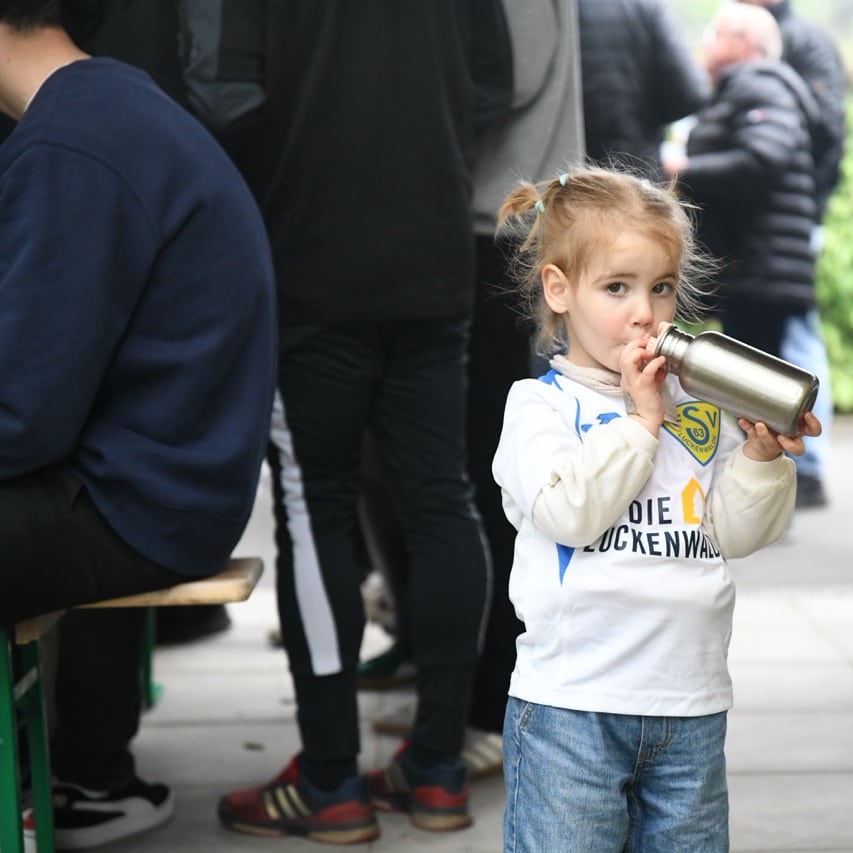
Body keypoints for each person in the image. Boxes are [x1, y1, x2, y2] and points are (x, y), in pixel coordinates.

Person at [180, 2, 513, 843]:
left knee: (314, 506)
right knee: (444, 499)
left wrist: (307, 158)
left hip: (309, 257)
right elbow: (489, 84)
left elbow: (220, 91)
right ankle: (437, 765)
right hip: (433, 252)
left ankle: (331, 777)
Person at [0, 0, 276, 847]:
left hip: (142, 504)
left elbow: (21, 417)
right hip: (166, 485)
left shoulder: (70, 145)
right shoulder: (104, 107)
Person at [491, 165, 820, 851]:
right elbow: (569, 511)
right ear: (560, 289)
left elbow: (732, 531)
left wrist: (761, 459)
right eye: (617, 287)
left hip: (688, 704)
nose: (646, 311)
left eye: (661, 287)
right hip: (572, 707)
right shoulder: (541, 408)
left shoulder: (695, 412)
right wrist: (640, 425)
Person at [356, 0, 586, 781]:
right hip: (488, 222)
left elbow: (497, 80)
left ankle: (488, 706)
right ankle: (453, 694)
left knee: (486, 482)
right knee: (448, 474)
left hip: (497, 228)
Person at [665, 5, 822, 420]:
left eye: (714, 33)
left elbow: (762, 158)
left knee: (756, 397)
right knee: (748, 393)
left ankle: (771, 476)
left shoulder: (764, 86)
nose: (705, 42)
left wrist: (683, 171)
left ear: (743, 43)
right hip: (752, 269)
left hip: (762, 270)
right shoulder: (742, 89)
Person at [737, 0, 848, 509]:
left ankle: (809, 465)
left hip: (791, 225)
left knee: (796, 341)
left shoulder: (801, 43)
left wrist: (808, 210)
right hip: (789, 223)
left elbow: (827, 133)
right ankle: (804, 464)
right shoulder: (794, 41)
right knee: (792, 339)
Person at [577, 0, 707, 182]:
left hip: (571, 174)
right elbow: (688, 95)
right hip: (637, 172)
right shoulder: (646, 7)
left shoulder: (559, 11)